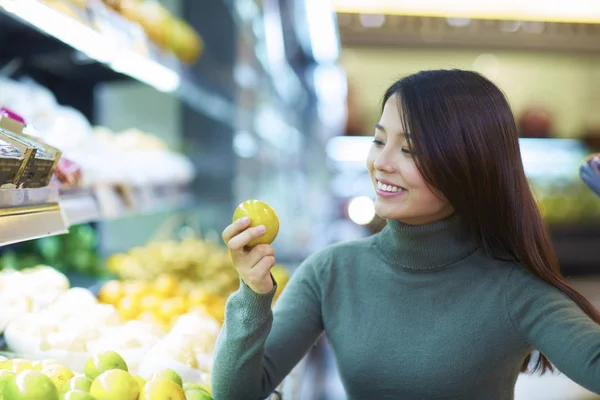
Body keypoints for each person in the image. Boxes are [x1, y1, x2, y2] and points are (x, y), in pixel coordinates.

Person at [212, 69, 600, 400]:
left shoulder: (516, 290)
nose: (381, 163)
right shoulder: (331, 271)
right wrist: (252, 294)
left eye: (409, 150)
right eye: (379, 140)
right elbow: (235, 393)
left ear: (466, 164)